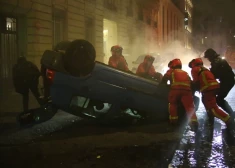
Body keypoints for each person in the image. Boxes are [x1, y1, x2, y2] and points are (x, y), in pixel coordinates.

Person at [189, 58, 232, 127]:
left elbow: (196, 81)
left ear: (193, 64)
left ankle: (228, 119)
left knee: (213, 108)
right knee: (205, 101)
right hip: (214, 87)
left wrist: (191, 87)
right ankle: (210, 117)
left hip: (208, 88)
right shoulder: (204, 68)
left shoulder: (194, 69)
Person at [161, 58, 198, 130]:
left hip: (175, 90)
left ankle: (173, 122)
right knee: (190, 107)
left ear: (173, 65)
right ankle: (194, 123)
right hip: (187, 91)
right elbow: (191, 83)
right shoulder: (185, 73)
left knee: (173, 104)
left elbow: (164, 80)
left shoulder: (171, 71)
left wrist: (163, 85)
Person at [204, 48, 235, 114]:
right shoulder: (218, 60)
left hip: (227, 82)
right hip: (227, 81)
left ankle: (231, 114)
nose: (208, 59)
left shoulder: (216, 62)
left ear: (211, 56)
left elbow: (215, 74)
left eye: (208, 57)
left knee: (219, 99)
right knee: (217, 96)